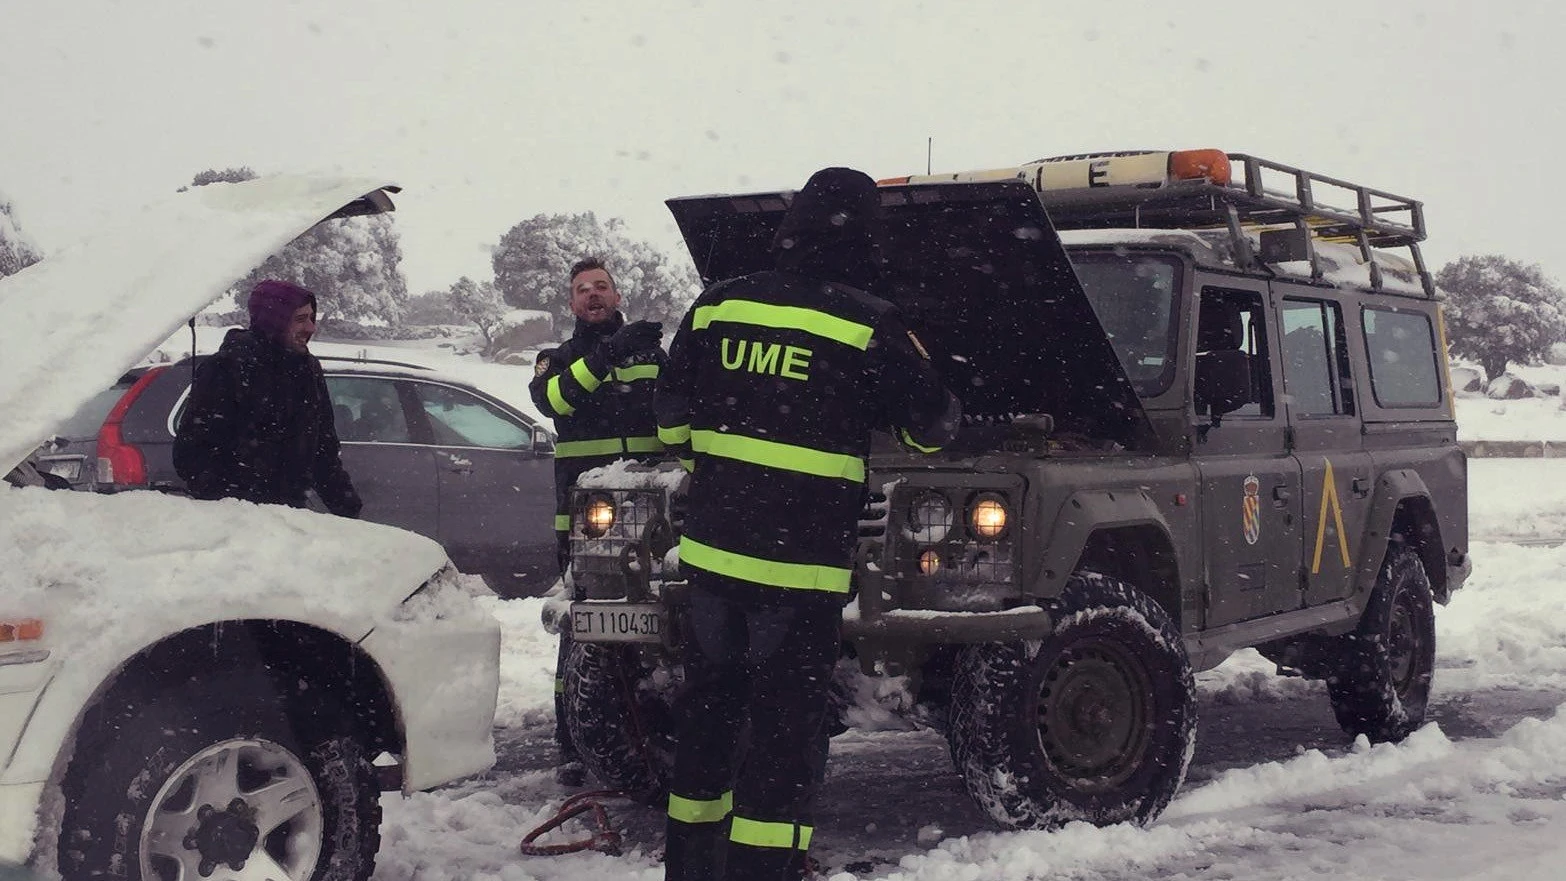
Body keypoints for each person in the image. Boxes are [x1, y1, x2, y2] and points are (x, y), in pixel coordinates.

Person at [654, 167, 961, 881]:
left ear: (790, 226)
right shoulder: (867, 322)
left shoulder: (719, 305)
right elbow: (929, 433)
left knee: (706, 724)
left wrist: (729, 470)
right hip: (798, 575)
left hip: (712, 568)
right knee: (783, 738)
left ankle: (693, 870)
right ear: (864, 235)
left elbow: (670, 424)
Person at [528, 256, 667, 785]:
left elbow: (682, 413)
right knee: (582, 625)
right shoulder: (557, 358)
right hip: (588, 520)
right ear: (571, 303)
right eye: (583, 289)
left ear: (616, 294)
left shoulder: (652, 355)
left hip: (657, 514)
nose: (593, 295)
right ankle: (571, 739)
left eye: (601, 287)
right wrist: (607, 354)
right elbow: (553, 400)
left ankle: (653, 722)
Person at [173, 279, 362, 518]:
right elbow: (191, 452)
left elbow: (323, 451)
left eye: (311, 318)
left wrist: (348, 510)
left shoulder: (307, 369)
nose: (311, 328)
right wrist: (233, 503)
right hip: (236, 519)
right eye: (300, 319)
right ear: (275, 321)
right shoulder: (227, 368)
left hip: (291, 516)